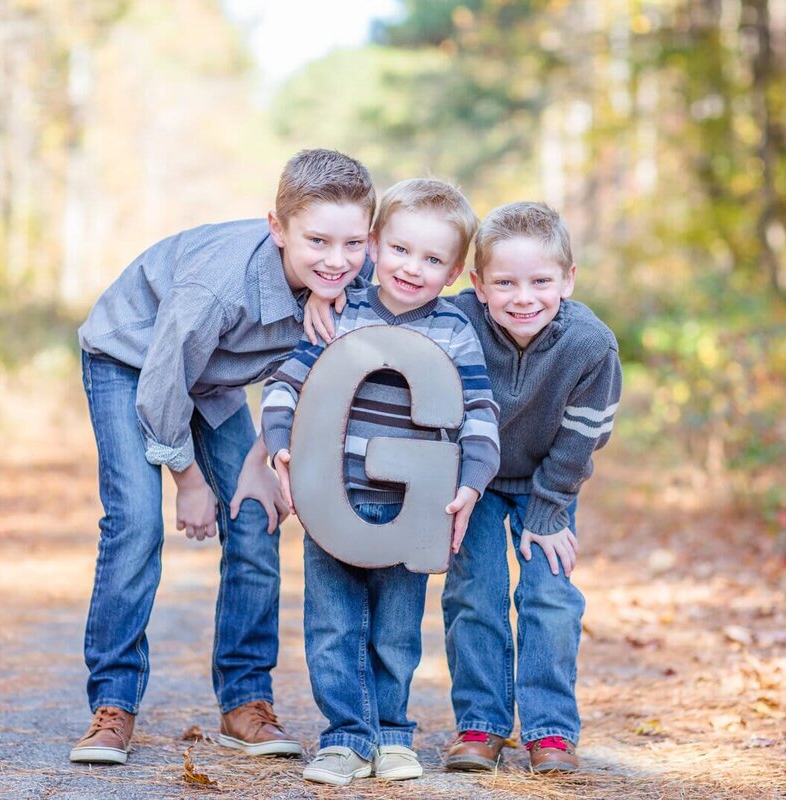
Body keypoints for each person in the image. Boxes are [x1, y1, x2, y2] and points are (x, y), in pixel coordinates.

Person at [70, 149, 376, 765]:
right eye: (317, 241)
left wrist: (328, 295)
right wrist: (187, 479)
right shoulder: (218, 286)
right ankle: (114, 705)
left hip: (212, 379)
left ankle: (245, 700)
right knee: (135, 523)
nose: (337, 260)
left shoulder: (344, 278)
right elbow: (162, 383)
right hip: (131, 361)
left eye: (353, 244)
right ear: (277, 227)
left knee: (255, 517)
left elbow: (347, 346)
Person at [261, 178, 500, 786]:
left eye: (432, 259)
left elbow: (479, 413)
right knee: (331, 626)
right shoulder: (339, 313)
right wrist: (283, 447)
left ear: (453, 273)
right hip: (331, 498)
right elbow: (285, 385)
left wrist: (471, 482)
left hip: (413, 510)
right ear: (373, 245)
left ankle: (392, 734)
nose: (411, 268)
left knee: (396, 632)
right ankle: (344, 736)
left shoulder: (454, 332)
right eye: (399, 250)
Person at [441, 202, 622, 774]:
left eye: (541, 281)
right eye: (505, 283)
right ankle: (481, 724)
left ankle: (550, 732)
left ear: (568, 279)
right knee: (475, 593)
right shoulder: (453, 322)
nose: (524, 298)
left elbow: (582, 439)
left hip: (549, 482)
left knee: (550, 596)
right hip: (472, 480)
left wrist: (548, 512)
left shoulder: (591, 345)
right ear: (478, 284)